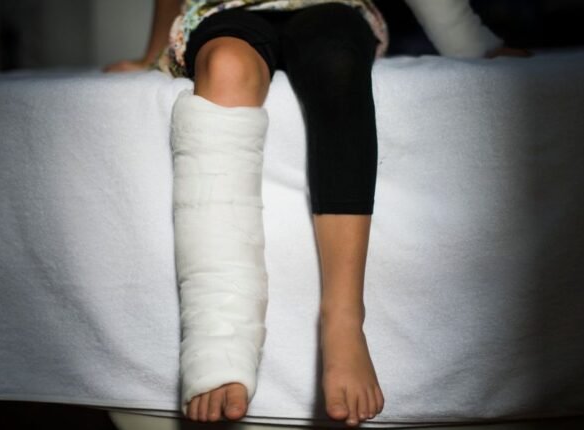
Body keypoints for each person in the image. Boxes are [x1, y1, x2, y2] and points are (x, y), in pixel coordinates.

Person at [106, 0, 527, 426]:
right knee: (225, 64)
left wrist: (468, 41)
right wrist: (151, 54)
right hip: (224, 8)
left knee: (335, 56)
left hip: (333, 7)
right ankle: (220, 335)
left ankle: (343, 320)